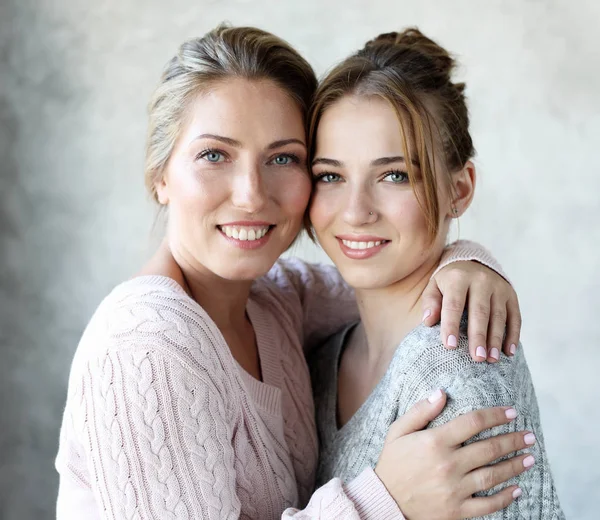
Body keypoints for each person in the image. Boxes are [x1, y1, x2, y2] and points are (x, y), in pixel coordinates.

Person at [56, 25, 526, 519]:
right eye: (214, 154)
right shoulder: (145, 348)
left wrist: (466, 261)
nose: (252, 195)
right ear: (160, 176)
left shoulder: (277, 300)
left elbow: (390, 280)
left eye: (283, 158)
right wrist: (381, 504)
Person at [307, 28, 565, 519]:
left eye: (395, 175)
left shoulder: (456, 365)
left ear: (460, 189)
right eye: (331, 176)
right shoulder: (322, 353)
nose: (355, 211)